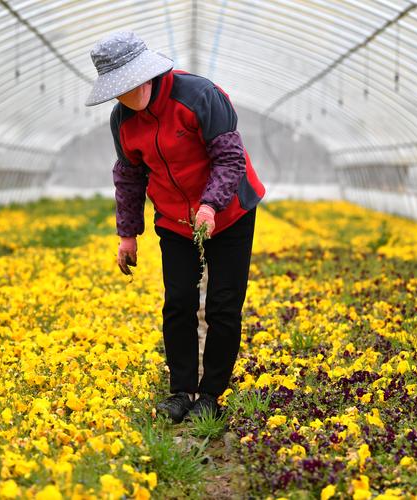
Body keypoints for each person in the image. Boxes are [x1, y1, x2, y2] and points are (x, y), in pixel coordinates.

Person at [85, 31, 265, 423]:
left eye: (130, 84)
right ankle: (181, 390)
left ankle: (212, 393)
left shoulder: (198, 96)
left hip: (230, 211)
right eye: (118, 90)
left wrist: (210, 205)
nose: (126, 96)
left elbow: (229, 157)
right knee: (178, 302)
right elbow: (129, 177)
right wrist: (127, 235)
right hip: (175, 218)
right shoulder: (123, 120)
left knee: (222, 304)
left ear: (147, 73)